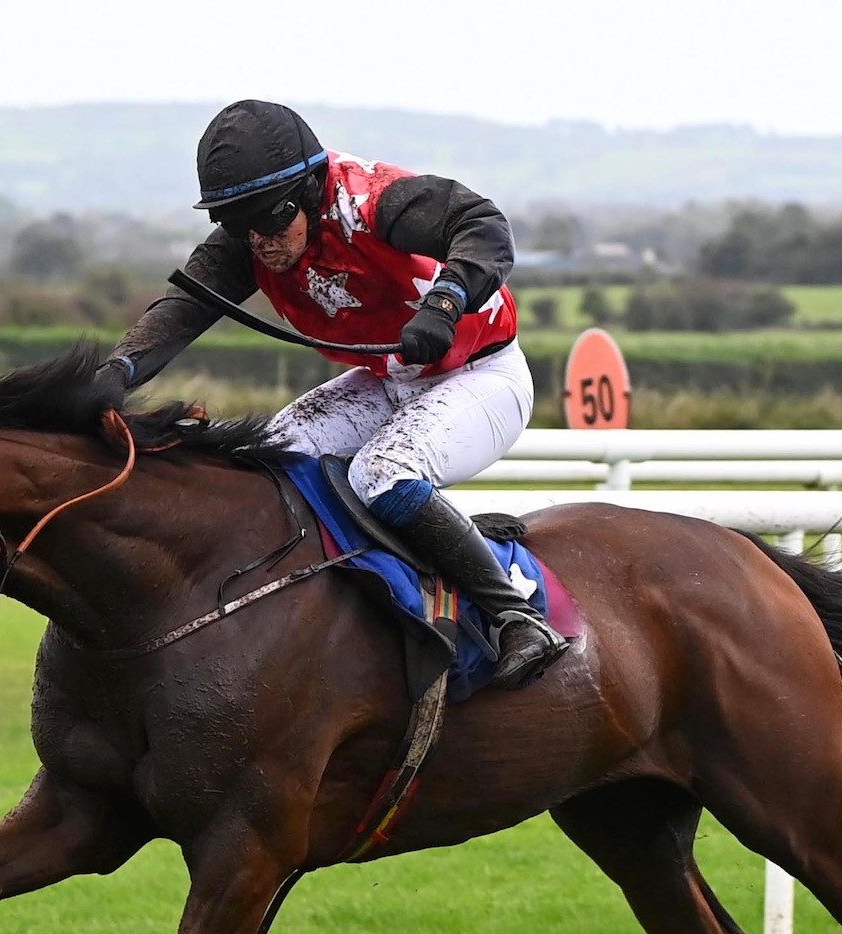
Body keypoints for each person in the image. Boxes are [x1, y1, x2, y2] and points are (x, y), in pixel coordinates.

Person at [98, 100, 567, 689]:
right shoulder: (253, 235)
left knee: (381, 473)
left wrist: (445, 303)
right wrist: (118, 371)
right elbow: (183, 309)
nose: (259, 243)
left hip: (482, 376)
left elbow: (484, 225)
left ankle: (514, 615)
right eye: (239, 226)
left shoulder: (375, 204)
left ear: (311, 189)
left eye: (270, 221)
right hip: (387, 380)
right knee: (271, 455)